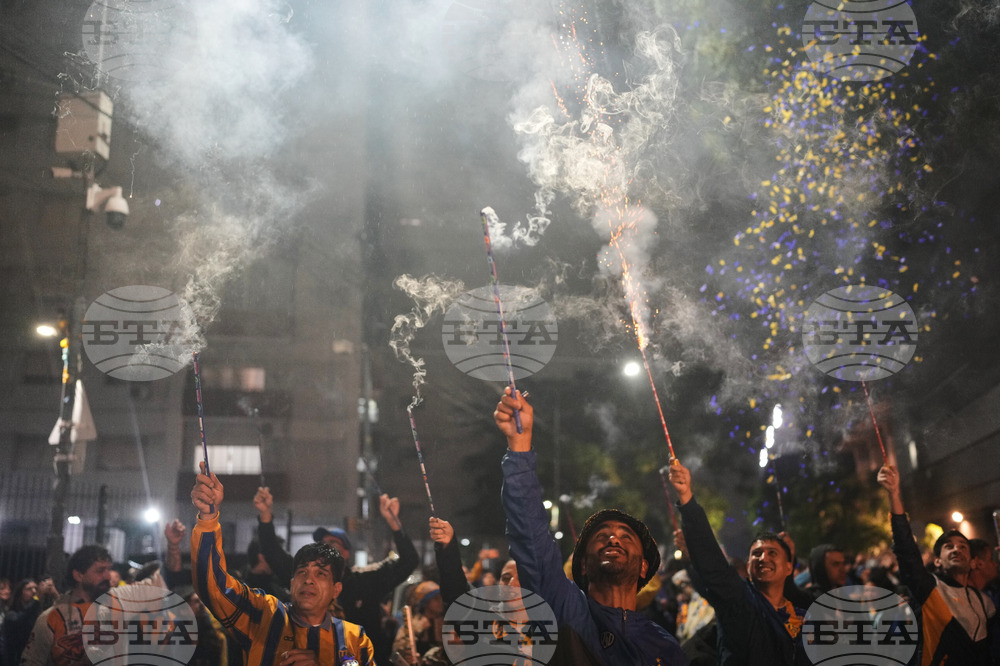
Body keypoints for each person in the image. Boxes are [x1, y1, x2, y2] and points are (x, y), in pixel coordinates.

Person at [495, 389, 688, 665]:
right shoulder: (565, 609)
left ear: (645, 566)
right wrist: (520, 445)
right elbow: (529, 534)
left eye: (626, 536)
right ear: (583, 564)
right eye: (602, 535)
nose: (613, 538)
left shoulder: (665, 647)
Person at [191, 462, 374, 665]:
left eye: (321, 574)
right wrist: (208, 517)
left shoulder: (356, 641)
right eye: (302, 572)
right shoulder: (264, 615)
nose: (309, 580)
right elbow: (213, 587)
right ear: (292, 581)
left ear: (336, 589)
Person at [254, 485, 418, 664]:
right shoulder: (304, 577)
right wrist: (265, 515)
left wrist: (394, 523)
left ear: (346, 553)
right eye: (322, 543)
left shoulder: (365, 581)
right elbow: (273, 553)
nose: (327, 547)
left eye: (334, 542)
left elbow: (408, 561)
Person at [668, 459, 809, 665]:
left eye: (772, 553)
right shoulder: (738, 599)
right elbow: (713, 564)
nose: (763, 558)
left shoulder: (804, 619)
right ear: (749, 567)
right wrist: (687, 499)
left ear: (789, 566)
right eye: (756, 553)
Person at [878, 464, 995, 665]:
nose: (956, 550)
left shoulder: (985, 603)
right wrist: (895, 494)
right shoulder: (930, 588)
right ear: (938, 560)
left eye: (962, 547)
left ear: (973, 561)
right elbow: (907, 550)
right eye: (948, 547)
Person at [20, 545, 113, 666]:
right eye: (100, 571)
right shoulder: (52, 618)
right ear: (78, 575)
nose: (108, 576)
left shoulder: (112, 611)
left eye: (108, 570)